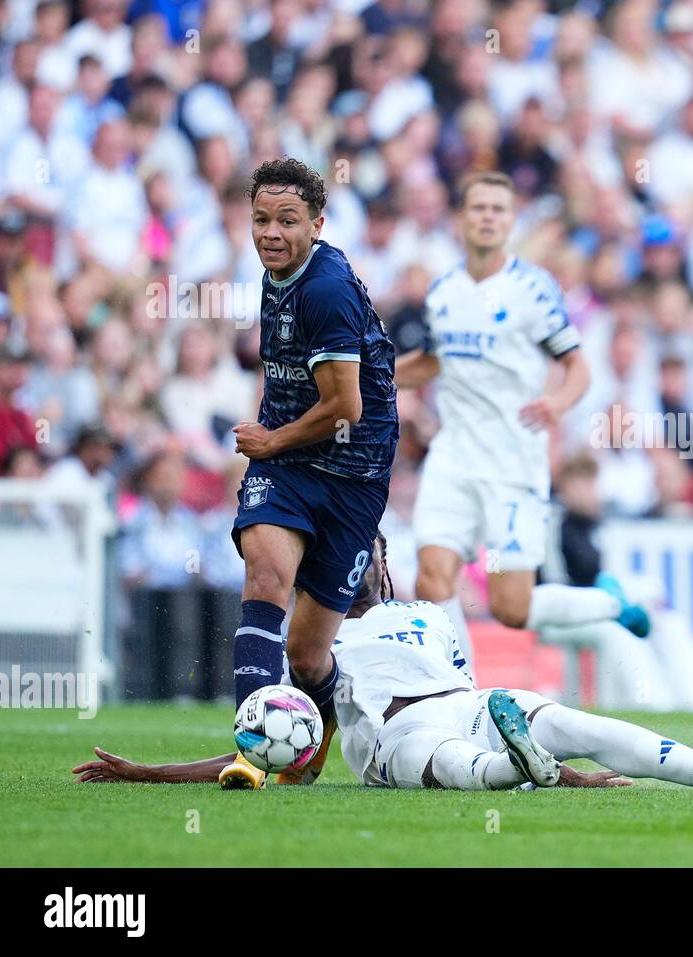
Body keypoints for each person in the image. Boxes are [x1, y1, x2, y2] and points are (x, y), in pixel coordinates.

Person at [72, 534, 693, 795]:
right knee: (457, 765)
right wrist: (148, 770)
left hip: (472, 703)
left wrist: (576, 774)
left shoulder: (430, 615)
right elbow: (276, 751)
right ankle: (527, 766)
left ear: (381, 559)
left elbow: (469, 688)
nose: (357, 567)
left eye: (365, 553)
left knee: (589, 725)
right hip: (397, 733)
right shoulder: (314, 642)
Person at [395, 171, 649, 658]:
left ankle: (610, 603)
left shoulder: (534, 290)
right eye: (478, 208)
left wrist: (557, 403)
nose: (488, 217)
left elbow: (577, 365)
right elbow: (432, 361)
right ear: (460, 219)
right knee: (431, 579)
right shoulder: (443, 291)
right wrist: (376, 372)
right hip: (453, 455)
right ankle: (461, 699)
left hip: (513, 461)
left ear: (510, 222)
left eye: (498, 209)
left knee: (512, 607)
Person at [221, 158, 398, 788]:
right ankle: (251, 750)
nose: (271, 232)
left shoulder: (324, 289)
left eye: (287, 221)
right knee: (265, 576)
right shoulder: (278, 273)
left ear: (317, 223)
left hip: (354, 468)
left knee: (306, 654)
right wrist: (277, 445)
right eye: (261, 219)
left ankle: (309, 755)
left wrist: (269, 439)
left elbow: (347, 407)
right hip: (294, 465)